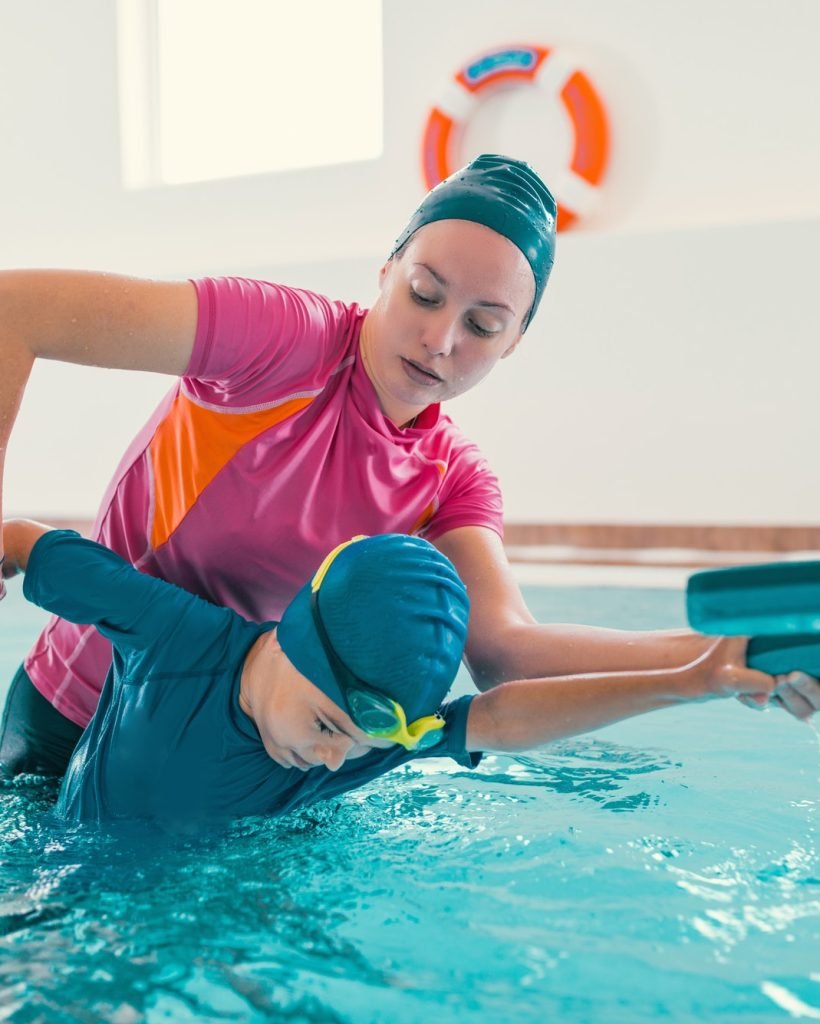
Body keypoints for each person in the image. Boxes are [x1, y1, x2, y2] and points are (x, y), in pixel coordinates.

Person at [1, 154, 818, 777]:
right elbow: (17, 309)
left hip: (247, 757)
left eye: (485, 324)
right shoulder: (274, 341)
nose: (441, 341)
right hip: (75, 716)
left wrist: (724, 654)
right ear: (386, 270)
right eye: (425, 294)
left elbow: (505, 652)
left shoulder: (452, 477)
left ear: (517, 341)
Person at [2, 519, 799, 826]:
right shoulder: (174, 635)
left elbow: (502, 717)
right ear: (290, 636)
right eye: (324, 726)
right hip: (75, 882)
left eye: (353, 742)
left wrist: (698, 677)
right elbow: (28, 542)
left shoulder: (369, 738)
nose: (334, 760)